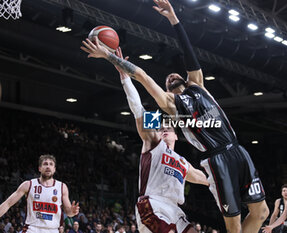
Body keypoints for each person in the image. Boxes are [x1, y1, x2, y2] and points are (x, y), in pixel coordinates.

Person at [80, 1, 269, 232]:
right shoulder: (170, 110)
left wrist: (174, 20)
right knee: (234, 225)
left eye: (174, 75)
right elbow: (141, 91)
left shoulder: (198, 86)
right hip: (211, 162)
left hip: (237, 150)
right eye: (167, 81)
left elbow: (190, 55)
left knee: (262, 213)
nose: (170, 76)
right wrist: (113, 60)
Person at [110, 47, 209, 233]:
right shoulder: (154, 143)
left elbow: (204, 178)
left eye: (168, 128)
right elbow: (138, 109)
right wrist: (125, 78)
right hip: (152, 203)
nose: (163, 129)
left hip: (175, 209)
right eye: (161, 127)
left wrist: (231, 180)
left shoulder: (182, 162)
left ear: (176, 136)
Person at [0, 154, 79, 233]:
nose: (48, 166)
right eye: (45, 164)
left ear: (54, 169)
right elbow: (8, 203)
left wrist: (72, 212)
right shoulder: (28, 185)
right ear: (40, 168)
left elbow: (69, 212)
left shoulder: (62, 187)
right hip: (32, 229)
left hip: (53, 230)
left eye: (51, 164)